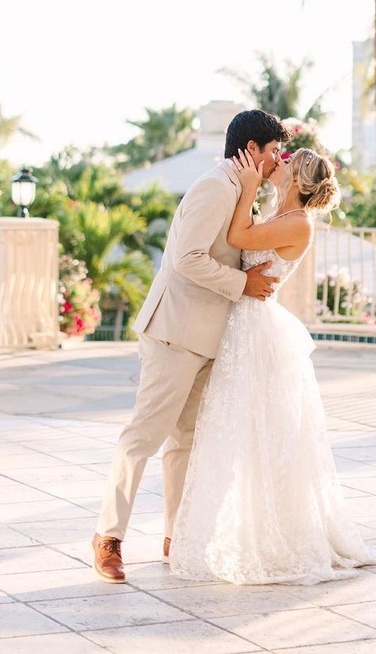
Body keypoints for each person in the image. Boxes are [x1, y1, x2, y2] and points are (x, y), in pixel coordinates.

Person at [168, 146, 376, 585]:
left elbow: (238, 238)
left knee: (265, 435)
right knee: (235, 431)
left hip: (258, 334)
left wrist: (247, 189)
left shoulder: (297, 224)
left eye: (286, 161)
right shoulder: (279, 212)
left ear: (296, 179)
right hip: (243, 327)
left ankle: (278, 535)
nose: (277, 162)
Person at [92, 109, 289, 583]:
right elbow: (187, 260)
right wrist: (242, 283)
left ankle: (176, 537)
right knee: (144, 436)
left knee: (185, 442)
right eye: (272, 152)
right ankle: (108, 538)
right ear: (251, 151)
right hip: (175, 332)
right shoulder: (213, 187)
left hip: (212, 339)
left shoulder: (242, 193)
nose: (276, 161)